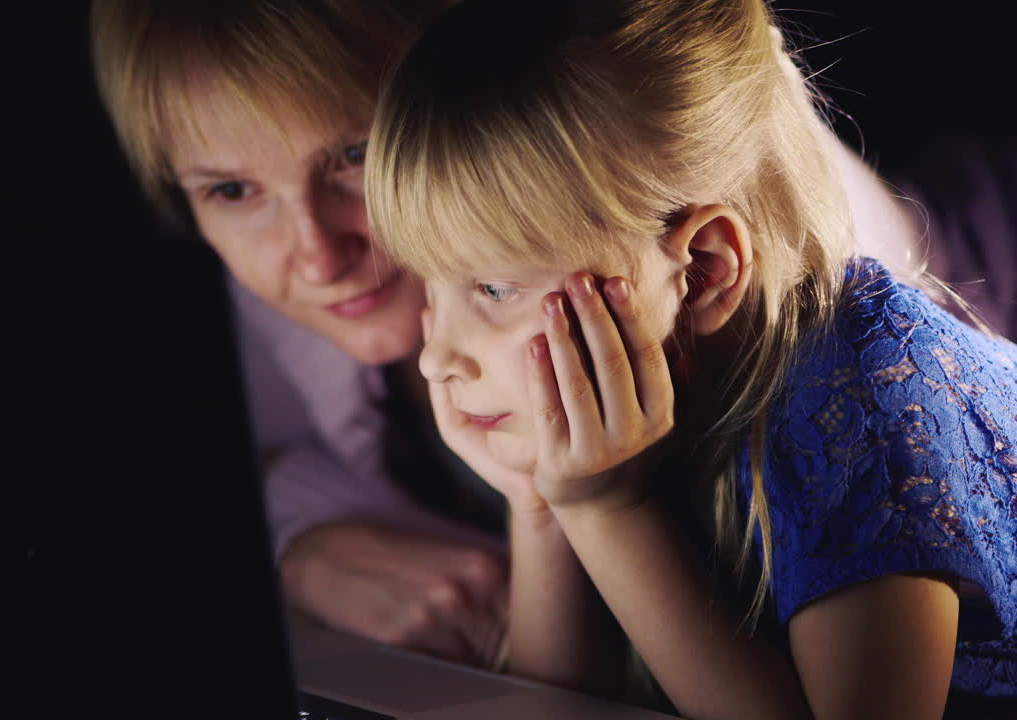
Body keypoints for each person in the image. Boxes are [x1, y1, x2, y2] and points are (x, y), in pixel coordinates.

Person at [87, 0, 1012, 679]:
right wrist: (310, 542)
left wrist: (604, 511)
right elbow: (224, 470)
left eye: (355, 155)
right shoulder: (307, 303)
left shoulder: (818, 337)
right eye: (230, 190)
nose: (318, 257)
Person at [364, 0, 1017, 718]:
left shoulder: (862, 389)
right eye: (432, 282)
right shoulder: (654, 404)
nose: (436, 358)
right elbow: (553, 708)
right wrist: (545, 502)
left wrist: (609, 512)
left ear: (702, 271)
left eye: (491, 286)